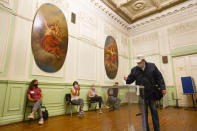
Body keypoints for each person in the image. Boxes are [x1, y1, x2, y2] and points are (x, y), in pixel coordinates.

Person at [124, 55, 166, 131]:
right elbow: (130, 80)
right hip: (141, 95)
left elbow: (159, 77)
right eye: (137, 63)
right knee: (144, 114)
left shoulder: (152, 66)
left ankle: (157, 129)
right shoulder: (134, 70)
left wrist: (163, 87)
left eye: (139, 62)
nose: (138, 64)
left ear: (143, 61)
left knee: (154, 112)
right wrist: (127, 79)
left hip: (151, 94)